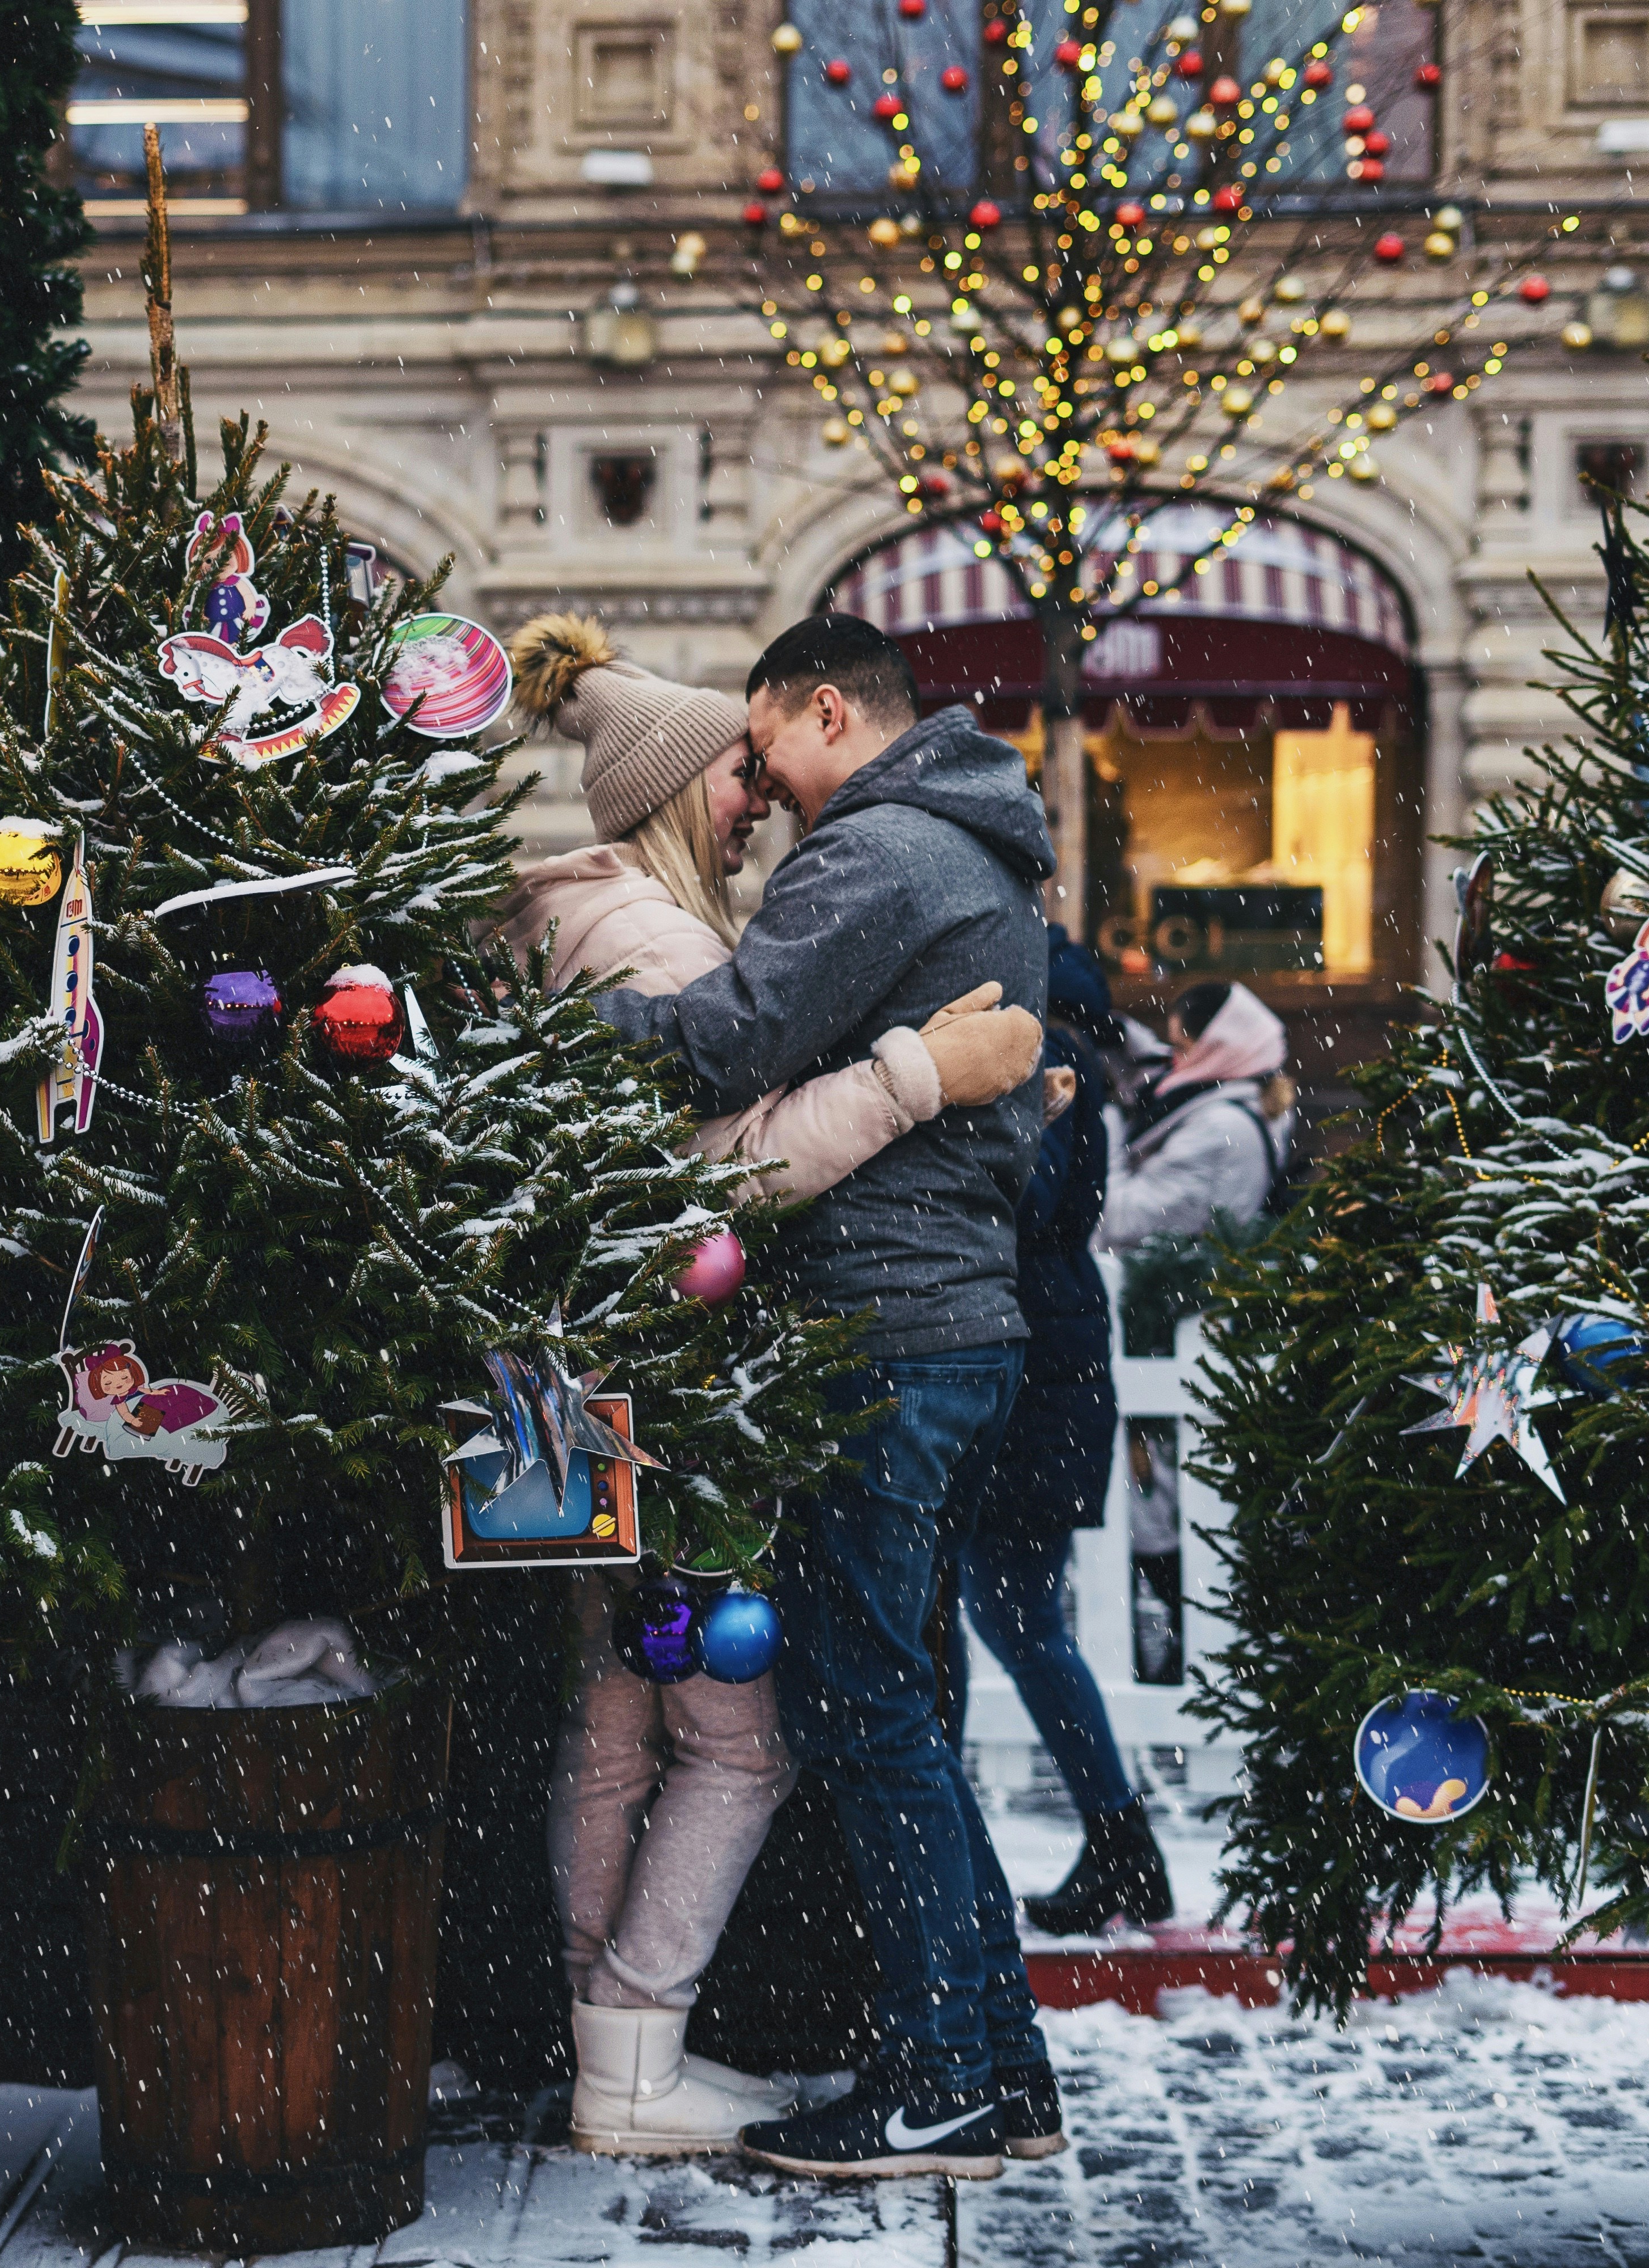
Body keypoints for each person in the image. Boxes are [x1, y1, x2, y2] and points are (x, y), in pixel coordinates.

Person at [501, 616, 1043, 2156]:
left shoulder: (874, 854)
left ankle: (945, 2078)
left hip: (888, 1322)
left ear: (824, 712)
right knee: (887, 1710)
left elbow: (727, 1051)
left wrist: (536, 1034)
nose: (760, 791)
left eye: (764, 750)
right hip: (939, 1323)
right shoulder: (972, 841)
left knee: (865, 1713)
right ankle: (994, 2071)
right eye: (730, 772)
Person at [950, 934, 1176, 1937]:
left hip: (1036, 1360)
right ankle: (1122, 1844)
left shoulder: (1049, 1061)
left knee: (1013, 1617)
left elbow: (1027, 1199)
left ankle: (1121, 1844)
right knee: (1013, 1616)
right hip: (1054, 1351)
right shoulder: (1072, 1052)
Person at [1098, 979, 1295, 1250]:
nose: (1174, 1062)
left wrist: (1105, 1121)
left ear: (1215, 1052)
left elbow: (1120, 1220)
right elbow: (1163, 1073)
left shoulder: (1221, 1128)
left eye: (1182, 1049)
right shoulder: (1251, 1093)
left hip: (1167, 1283)